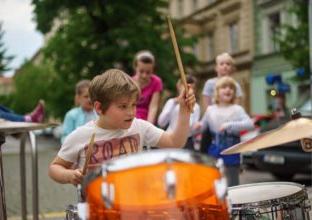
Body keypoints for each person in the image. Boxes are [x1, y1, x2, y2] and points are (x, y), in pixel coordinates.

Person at [49, 68, 196, 186]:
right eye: (123, 106)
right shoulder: (80, 136)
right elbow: (55, 168)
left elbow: (175, 142)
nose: (131, 112)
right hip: (95, 212)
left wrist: (184, 111)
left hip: (132, 208)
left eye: (133, 105)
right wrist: (69, 175)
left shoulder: (139, 127)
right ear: (99, 108)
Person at [194, 76, 253, 187]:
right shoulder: (210, 109)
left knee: (232, 187)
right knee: (215, 186)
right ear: (217, 91)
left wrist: (229, 125)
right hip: (214, 155)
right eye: (224, 87)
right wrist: (197, 125)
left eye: (231, 87)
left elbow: (249, 124)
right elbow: (202, 126)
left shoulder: (237, 109)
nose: (228, 89)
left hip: (232, 155)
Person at [200, 52, 244, 153]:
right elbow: (206, 105)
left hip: (229, 126)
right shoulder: (210, 83)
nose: (225, 66)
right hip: (211, 126)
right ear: (216, 67)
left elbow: (236, 107)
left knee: (230, 154)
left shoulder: (236, 86)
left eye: (228, 64)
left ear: (232, 68)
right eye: (222, 63)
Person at [157, 75, 200, 150]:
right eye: (186, 87)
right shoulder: (171, 102)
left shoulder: (196, 106)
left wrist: (197, 126)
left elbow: (193, 130)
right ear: (179, 86)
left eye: (192, 88)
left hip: (187, 141)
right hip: (170, 137)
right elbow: (161, 123)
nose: (189, 91)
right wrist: (173, 103)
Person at [131, 50, 163, 124]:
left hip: (147, 120)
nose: (144, 75)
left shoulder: (156, 82)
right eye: (141, 71)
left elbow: (153, 107)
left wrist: (149, 126)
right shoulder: (129, 82)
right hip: (132, 120)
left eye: (148, 72)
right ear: (135, 67)